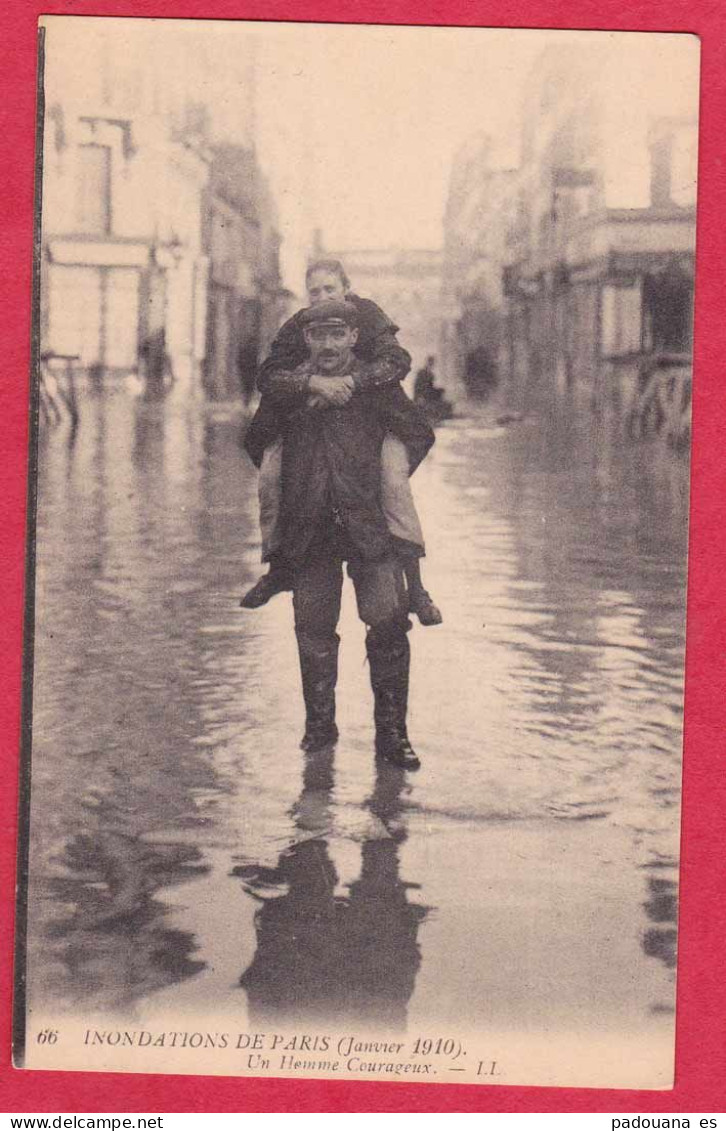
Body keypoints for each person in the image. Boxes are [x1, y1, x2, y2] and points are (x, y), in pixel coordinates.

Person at [259, 298, 434, 770]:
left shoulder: (378, 387)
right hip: (311, 531)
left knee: (389, 627)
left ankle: (393, 736)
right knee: (313, 631)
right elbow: (258, 438)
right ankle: (319, 730)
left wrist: (386, 476)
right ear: (307, 339)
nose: (330, 345)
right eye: (320, 335)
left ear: (355, 338)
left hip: (368, 528)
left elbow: (420, 432)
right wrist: (297, 482)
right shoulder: (288, 388)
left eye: (339, 335)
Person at [241, 258, 442, 626]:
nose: (321, 297)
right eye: (314, 291)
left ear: (346, 288)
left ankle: (416, 587)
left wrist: (353, 384)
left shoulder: (367, 314)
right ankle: (277, 566)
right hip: (311, 415)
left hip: (377, 412)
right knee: (271, 477)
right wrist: (311, 385)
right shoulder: (299, 323)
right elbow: (268, 374)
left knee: (393, 483)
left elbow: (397, 360)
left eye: (329, 289)